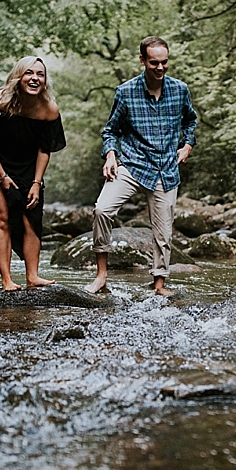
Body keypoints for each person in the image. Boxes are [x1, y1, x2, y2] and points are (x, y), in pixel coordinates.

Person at [84, 36, 197, 296]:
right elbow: (110, 130)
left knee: (163, 232)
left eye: (164, 62)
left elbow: (190, 121)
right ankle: (101, 276)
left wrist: (187, 145)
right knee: (102, 209)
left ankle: (159, 284)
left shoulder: (180, 90)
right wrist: (110, 155)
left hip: (166, 169)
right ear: (142, 60)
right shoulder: (125, 92)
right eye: (154, 62)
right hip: (133, 165)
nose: (160, 67)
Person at [0, 56, 66, 291]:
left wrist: (37, 182)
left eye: (40, 74)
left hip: (28, 164)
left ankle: (32, 276)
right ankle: (7, 280)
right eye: (29, 73)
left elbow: (44, 149)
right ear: (19, 76)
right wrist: (2, 176)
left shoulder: (49, 109)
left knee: (32, 219)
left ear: (45, 81)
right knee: (3, 218)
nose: (35, 78)